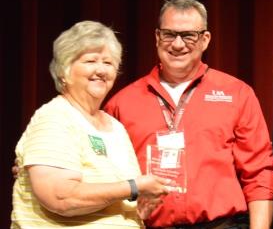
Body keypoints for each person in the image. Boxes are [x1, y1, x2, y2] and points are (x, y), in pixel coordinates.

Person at [104, 0, 273, 228]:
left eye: (188, 36)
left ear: (205, 39)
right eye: (169, 34)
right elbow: (106, 178)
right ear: (157, 37)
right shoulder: (122, 103)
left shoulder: (236, 93)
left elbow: (259, 173)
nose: (178, 45)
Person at [11, 21, 170, 228]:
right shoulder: (55, 118)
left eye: (108, 63)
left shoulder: (115, 127)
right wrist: (133, 187)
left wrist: (138, 205)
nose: (101, 70)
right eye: (90, 61)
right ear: (64, 71)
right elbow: (61, 198)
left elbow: (114, 198)